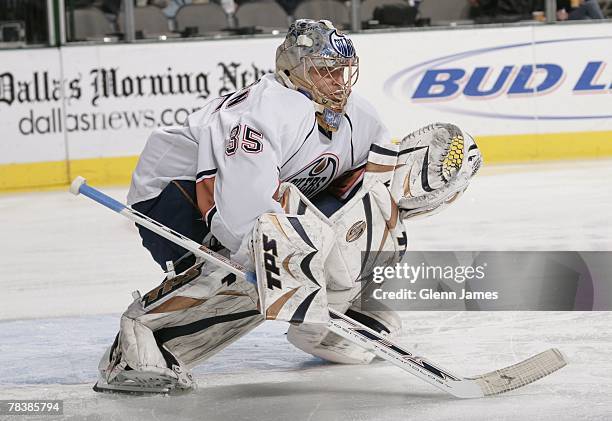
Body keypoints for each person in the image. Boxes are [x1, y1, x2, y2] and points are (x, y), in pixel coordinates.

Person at [93, 19, 482, 394]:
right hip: (173, 196)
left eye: (343, 71)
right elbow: (238, 210)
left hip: (248, 194)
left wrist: (416, 186)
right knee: (256, 269)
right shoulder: (264, 114)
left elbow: (372, 191)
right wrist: (285, 269)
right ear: (293, 69)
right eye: (324, 71)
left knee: (351, 217)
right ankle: (138, 345)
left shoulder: (359, 117)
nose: (337, 82)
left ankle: (332, 318)